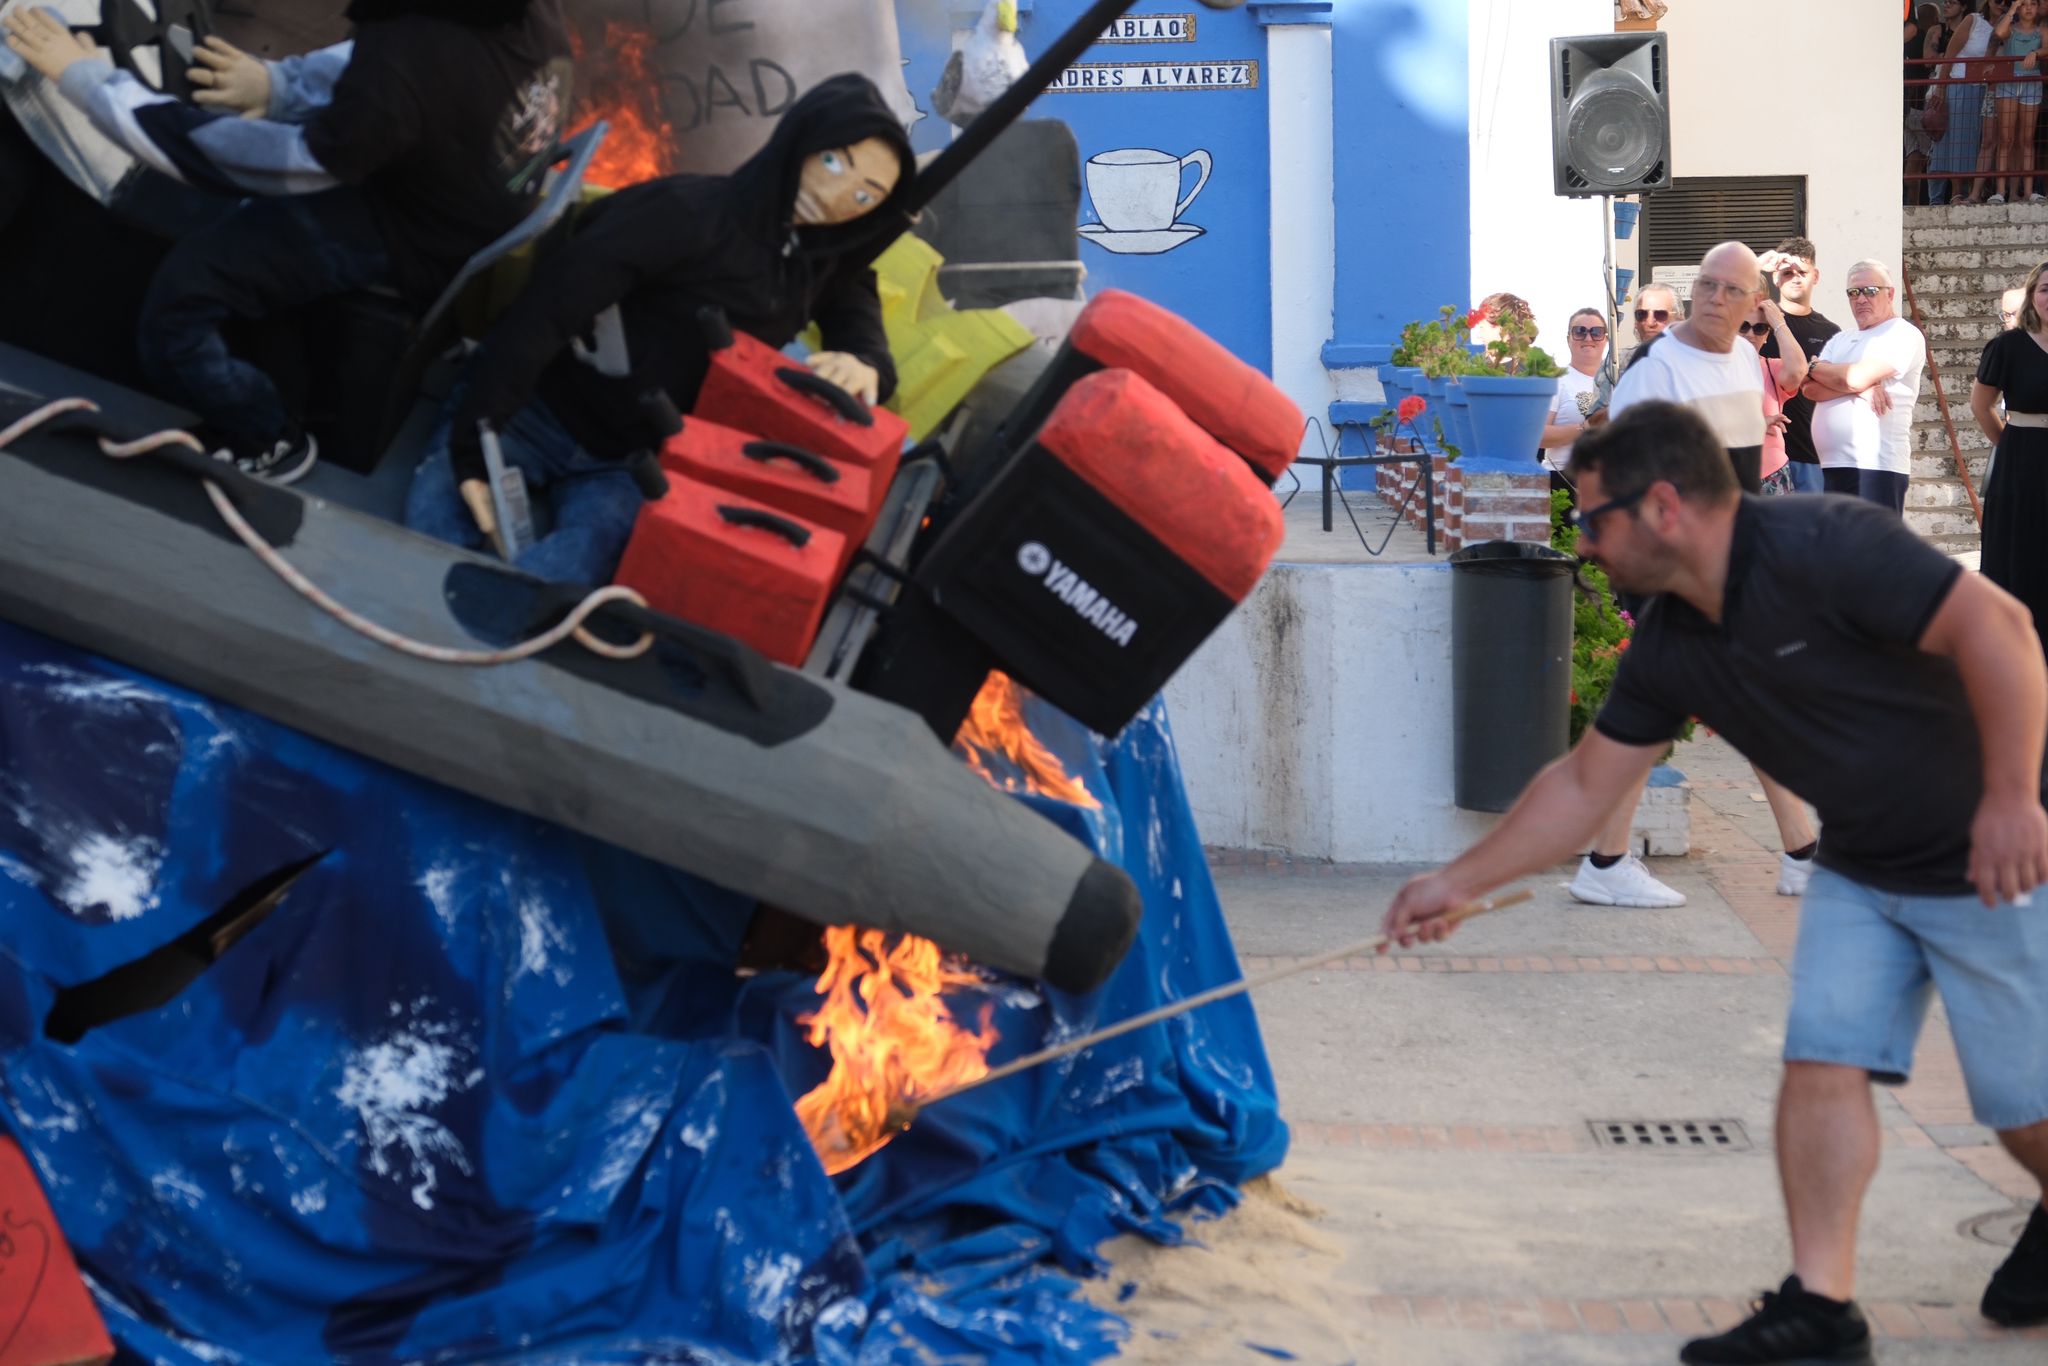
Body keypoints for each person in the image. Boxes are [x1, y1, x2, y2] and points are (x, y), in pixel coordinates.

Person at [1384, 400, 2048, 1364]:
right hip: (1863, 865)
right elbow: (1582, 787)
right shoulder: (1672, 642)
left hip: (1988, 857)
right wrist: (1457, 883)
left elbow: (2005, 630)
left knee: (2023, 1112)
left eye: (1593, 517)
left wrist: (2013, 798)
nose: (1586, 542)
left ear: (1662, 505)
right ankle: (1824, 1308)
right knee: (1824, 1061)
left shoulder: (1829, 542)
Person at [2, 0, 572, 482]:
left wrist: (82, 77)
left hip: (404, 232)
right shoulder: (520, 12)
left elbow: (240, 163)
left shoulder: (402, 70)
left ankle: (264, 434)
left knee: (184, 293)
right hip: (455, 195)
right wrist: (278, 85)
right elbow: (387, 62)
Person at [402, 74, 914, 585]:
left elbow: (855, 302)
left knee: (564, 577)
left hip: (630, 461)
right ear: (799, 141)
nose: (838, 197)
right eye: (832, 163)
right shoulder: (683, 214)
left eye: (866, 197)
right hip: (535, 409)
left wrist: (866, 360)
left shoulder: (817, 262)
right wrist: (474, 443)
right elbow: (546, 311)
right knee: (428, 535)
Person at [1605, 242, 1820, 900]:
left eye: (1732, 290)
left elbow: (1739, 477)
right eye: (1706, 285)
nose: (1714, 298)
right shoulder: (1657, 366)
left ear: (1757, 302)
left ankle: (1801, 851)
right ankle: (1607, 864)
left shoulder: (1745, 362)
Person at [1804, 260, 1928, 514]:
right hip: (1833, 466)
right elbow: (1809, 389)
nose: (1861, 299)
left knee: (1873, 549)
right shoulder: (1840, 339)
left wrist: (1819, 369)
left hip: (1877, 465)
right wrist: (1864, 388)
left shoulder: (1903, 333)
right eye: (1853, 292)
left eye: (1870, 291)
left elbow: (1854, 377)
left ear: (1890, 293)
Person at [1974, 260, 2048, 649]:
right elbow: (1981, 406)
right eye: (2045, 289)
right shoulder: (2008, 346)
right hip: (2024, 460)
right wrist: (2012, 447)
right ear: (2032, 298)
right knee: (2023, 553)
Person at [1754, 239, 1840, 495]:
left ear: (1816, 276)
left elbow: (1836, 387)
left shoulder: (1831, 332)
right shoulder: (1756, 323)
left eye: (1802, 272)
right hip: (1764, 455)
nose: (1795, 278)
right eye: (1787, 272)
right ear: (1775, 277)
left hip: (1810, 455)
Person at [1740, 297, 1810, 496]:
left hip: (1772, 475)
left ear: (1767, 335)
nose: (1750, 334)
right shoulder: (1712, 369)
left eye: (1760, 328)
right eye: (1743, 326)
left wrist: (1779, 323)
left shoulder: (1772, 367)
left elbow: (1798, 371)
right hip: (1726, 476)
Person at [1537, 307, 1607, 494]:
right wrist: (1586, 428)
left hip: (1609, 479)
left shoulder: (1618, 380)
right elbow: (1539, 436)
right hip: (1563, 479)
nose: (1588, 338)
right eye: (1579, 332)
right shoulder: (1557, 380)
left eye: (1596, 333)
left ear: (1606, 339)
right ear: (1568, 338)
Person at [1988, 0, 2045, 202]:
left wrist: (2035, 53)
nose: (2028, 8)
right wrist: (2011, 10)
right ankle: (2000, 191)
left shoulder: (2042, 30)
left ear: (2038, 8)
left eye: (2032, 4)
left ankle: (2029, 192)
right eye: (2023, 4)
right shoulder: (2010, 29)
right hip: (2008, 83)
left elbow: (2047, 48)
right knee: (2005, 139)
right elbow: (1999, 34)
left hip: (2031, 83)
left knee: (2026, 140)